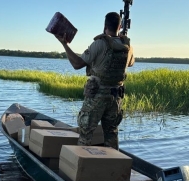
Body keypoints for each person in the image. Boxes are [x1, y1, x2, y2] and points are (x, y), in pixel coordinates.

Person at [55, 12, 134, 150]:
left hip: (97, 95)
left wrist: (64, 44)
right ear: (120, 26)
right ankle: (113, 166)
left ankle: (81, 166)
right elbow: (131, 63)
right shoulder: (128, 47)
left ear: (105, 26)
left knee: (86, 133)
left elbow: (77, 64)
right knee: (111, 133)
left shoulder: (99, 44)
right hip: (115, 98)